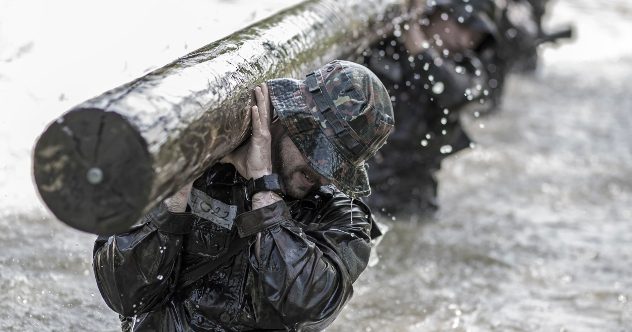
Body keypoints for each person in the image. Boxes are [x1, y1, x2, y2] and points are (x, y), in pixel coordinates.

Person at [93, 60, 394, 331]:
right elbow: (122, 295)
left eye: (335, 167)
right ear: (290, 121)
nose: (324, 174)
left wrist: (264, 188)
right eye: (318, 153)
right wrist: (176, 192)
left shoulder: (342, 216)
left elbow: (309, 304)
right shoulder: (200, 170)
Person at [362, 0, 498, 214]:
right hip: (360, 183)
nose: (464, 41)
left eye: (475, 36)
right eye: (461, 25)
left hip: (410, 199)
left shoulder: (471, 71)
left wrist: (416, 40)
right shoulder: (386, 43)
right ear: (437, 13)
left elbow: (452, 90)